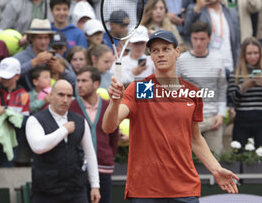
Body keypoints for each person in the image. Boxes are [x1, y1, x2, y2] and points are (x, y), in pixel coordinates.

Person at [102, 30, 239, 202]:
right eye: (155, 51)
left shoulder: (192, 93)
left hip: (184, 188)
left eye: (166, 49)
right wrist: (115, 102)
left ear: (177, 52)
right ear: (151, 56)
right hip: (145, 190)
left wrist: (216, 168)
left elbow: (195, 138)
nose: (160, 54)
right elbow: (109, 126)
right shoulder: (142, 89)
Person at [25, 79, 100, 203]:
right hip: (46, 192)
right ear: (50, 96)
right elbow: (38, 146)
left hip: (76, 190)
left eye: (69, 96)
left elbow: (90, 154)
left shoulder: (80, 121)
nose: (65, 99)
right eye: (61, 95)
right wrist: (63, 130)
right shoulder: (35, 120)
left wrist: (95, 185)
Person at [70, 66, 119, 203]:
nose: (79, 85)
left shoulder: (109, 106)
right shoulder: (70, 107)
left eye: (84, 81)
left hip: (103, 168)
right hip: (78, 171)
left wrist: (107, 154)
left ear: (96, 84)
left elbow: (114, 137)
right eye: (78, 81)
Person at [176, 21, 226, 155]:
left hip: (212, 119)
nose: (198, 43)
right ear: (190, 38)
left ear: (209, 39)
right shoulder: (181, 60)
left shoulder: (217, 59)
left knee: (215, 163)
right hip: (188, 120)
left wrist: (221, 114)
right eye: (195, 39)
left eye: (202, 39)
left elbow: (222, 89)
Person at [184, 0, 241, 78]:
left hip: (229, 65)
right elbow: (187, 31)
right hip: (206, 68)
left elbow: (236, 43)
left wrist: (238, 66)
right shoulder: (196, 10)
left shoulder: (231, 13)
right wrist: (197, 8)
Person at [227, 37, 262, 151]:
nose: (253, 56)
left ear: (260, 53)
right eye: (249, 53)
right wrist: (243, 88)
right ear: (243, 55)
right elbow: (232, 100)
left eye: (256, 53)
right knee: (240, 160)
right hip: (242, 123)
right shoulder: (236, 73)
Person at [13, 18, 76, 91]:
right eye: (39, 38)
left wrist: (61, 70)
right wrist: (33, 63)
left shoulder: (56, 57)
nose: (43, 42)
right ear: (32, 38)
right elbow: (10, 76)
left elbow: (74, 81)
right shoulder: (20, 57)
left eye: (46, 38)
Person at [0, 57, 30, 167]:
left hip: (13, 140)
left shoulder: (23, 95)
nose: (4, 79)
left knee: (6, 170)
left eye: (7, 77)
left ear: (17, 76)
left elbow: (25, 121)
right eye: (2, 76)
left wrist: (11, 116)